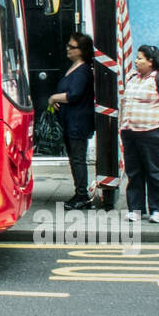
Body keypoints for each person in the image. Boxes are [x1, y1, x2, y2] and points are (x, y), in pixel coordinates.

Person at [120, 44, 159, 223]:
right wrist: (122, 126)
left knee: (155, 172)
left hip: (151, 133)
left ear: (150, 61)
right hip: (130, 132)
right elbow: (124, 103)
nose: (136, 61)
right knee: (134, 173)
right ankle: (135, 208)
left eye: (140, 58)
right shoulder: (132, 78)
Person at [48, 32, 95, 210]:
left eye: (72, 47)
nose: (67, 48)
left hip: (78, 122)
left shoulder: (83, 71)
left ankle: (82, 195)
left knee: (78, 159)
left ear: (82, 50)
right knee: (74, 159)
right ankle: (79, 193)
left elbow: (74, 95)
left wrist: (54, 98)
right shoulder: (75, 67)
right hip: (70, 122)